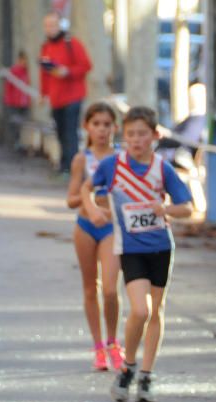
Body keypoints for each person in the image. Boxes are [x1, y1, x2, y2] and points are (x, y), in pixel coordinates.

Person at [80, 106, 193, 402]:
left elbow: (188, 208)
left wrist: (165, 209)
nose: (136, 140)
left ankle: (146, 374)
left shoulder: (162, 168)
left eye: (142, 134)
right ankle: (128, 365)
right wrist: (92, 209)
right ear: (123, 135)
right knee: (139, 311)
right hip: (130, 249)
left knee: (156, 312)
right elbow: (86, 189)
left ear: (155, 136)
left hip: (161, 247)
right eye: (130, 134)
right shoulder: (113, 166)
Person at [65, 101, 123, 373]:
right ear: (86, 126)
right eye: (96, 124)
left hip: (112, 227)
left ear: (115, 127)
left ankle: (114, 342)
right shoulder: (81, 159)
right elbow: (71, 199)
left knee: (111, 289)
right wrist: (91, 198)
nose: (101, 130)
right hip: (86, 227)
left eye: (106, 124)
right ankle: (98, 346)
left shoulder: (122, 158)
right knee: (91, 288)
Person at [39, 11, 92, 174]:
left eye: (53, 25)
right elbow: (44, 73)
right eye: (47, 25)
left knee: (70, 132)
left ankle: (72, 167)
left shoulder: (72, 43)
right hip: (56, 98)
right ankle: (64, 164)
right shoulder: (45, 47)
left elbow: (86, 65)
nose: (50, 29)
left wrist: (67, 72)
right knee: (60, 132)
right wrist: (44, 93)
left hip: (73, 96)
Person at [3, 51, 32, 151]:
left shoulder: (25, 71)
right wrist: (9, 100)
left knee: (22, 123)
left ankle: (22, 142)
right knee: (14, 123)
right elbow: (9, 87)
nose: (25, 62)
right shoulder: (14, 71)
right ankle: (15, 142)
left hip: (24, 103)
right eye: (23, 60)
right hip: (14, 102)